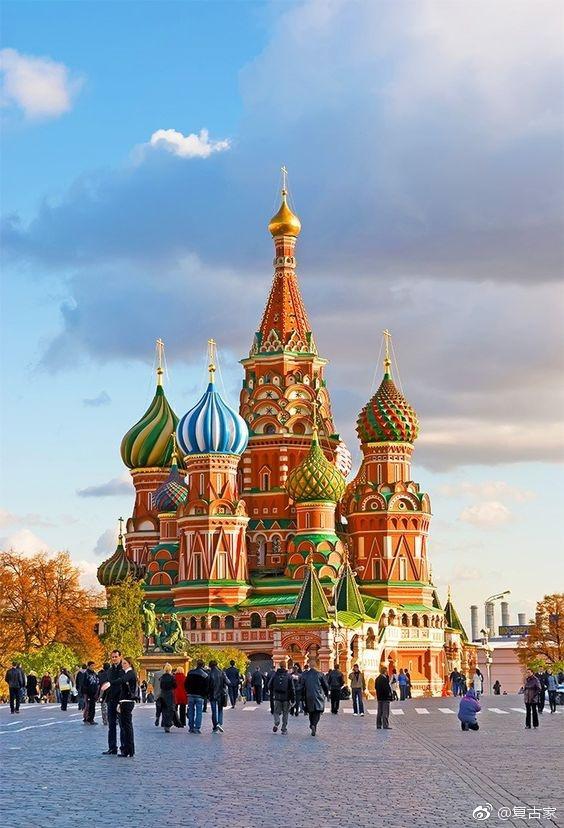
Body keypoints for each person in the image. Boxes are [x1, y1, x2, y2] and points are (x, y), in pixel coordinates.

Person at [100, 650, 125, 755]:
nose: (114, 658)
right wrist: (104, 697)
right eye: (112, 657)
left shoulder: (123, 669)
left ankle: (123, 747)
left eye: (116, 656)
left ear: (120, 657)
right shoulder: (110, 670)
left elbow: (124, 685)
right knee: (111, 725)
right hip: (111, 700)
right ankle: (112, 747)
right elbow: (108, 685)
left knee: (122, 725)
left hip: (120, 700)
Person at [301, 659, 329, 736]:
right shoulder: (320, 674)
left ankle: (312, 724)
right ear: (316, 665)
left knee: (311, 712)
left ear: (309, 666)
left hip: (308, 695)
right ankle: (314, 725)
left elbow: (302, 686)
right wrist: (327, 694)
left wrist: (302, 696)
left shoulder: (305, 675)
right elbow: (325, 685)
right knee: (317, 712)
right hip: (318, 695)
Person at [117, 656, 137, 757]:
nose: (123, 665)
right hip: (124, 701)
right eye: (122, 663)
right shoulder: (127, 673)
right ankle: (127, 749)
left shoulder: (130, 673)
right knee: (125, 726)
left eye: (125, 663)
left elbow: (122, 681)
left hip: (127, 702)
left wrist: (111, 682)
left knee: (126, 727)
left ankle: (128, 749)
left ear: (130, 664)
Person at [269, 659, 294, 734]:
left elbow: (269, 685)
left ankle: (277, 722)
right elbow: (292, 688)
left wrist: (273, 692)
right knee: (285, 713)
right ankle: (284, 729)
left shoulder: (275, 675)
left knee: (276, 712)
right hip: (286, 698)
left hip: (277, 697)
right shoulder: (289, 676)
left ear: (279, 666)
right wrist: (293, 699)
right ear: (285, 666)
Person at [185, 659, 210, 734]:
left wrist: (188, 691)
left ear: (196, 664)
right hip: (200, 696)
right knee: (199, 712)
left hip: (190, 695)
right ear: (203, 665)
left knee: (191, 711)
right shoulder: (205, 675)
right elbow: (207, 687)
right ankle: (197, 728)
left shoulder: (190, 673)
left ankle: (191, 727)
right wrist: (205, 695)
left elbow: (186, 683)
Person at [208, 660, 229, 733]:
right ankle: (219, 723)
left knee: (213, 711)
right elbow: (228, 682)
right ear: (217, 665)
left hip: (212, 694)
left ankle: (215, 726)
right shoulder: (222, 673)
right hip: (221, 694)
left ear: (210, 666)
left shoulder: (209, 673)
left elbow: (207, 686)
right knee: (220, 710)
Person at [159, 663, 176, 733]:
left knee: (164, 709)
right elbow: (175, 686)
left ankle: (164, 724)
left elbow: (161, 686)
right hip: (169, 693)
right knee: (170, 709)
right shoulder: (172, 677)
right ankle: (168, 724)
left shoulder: (162, 677)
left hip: (163, 694)